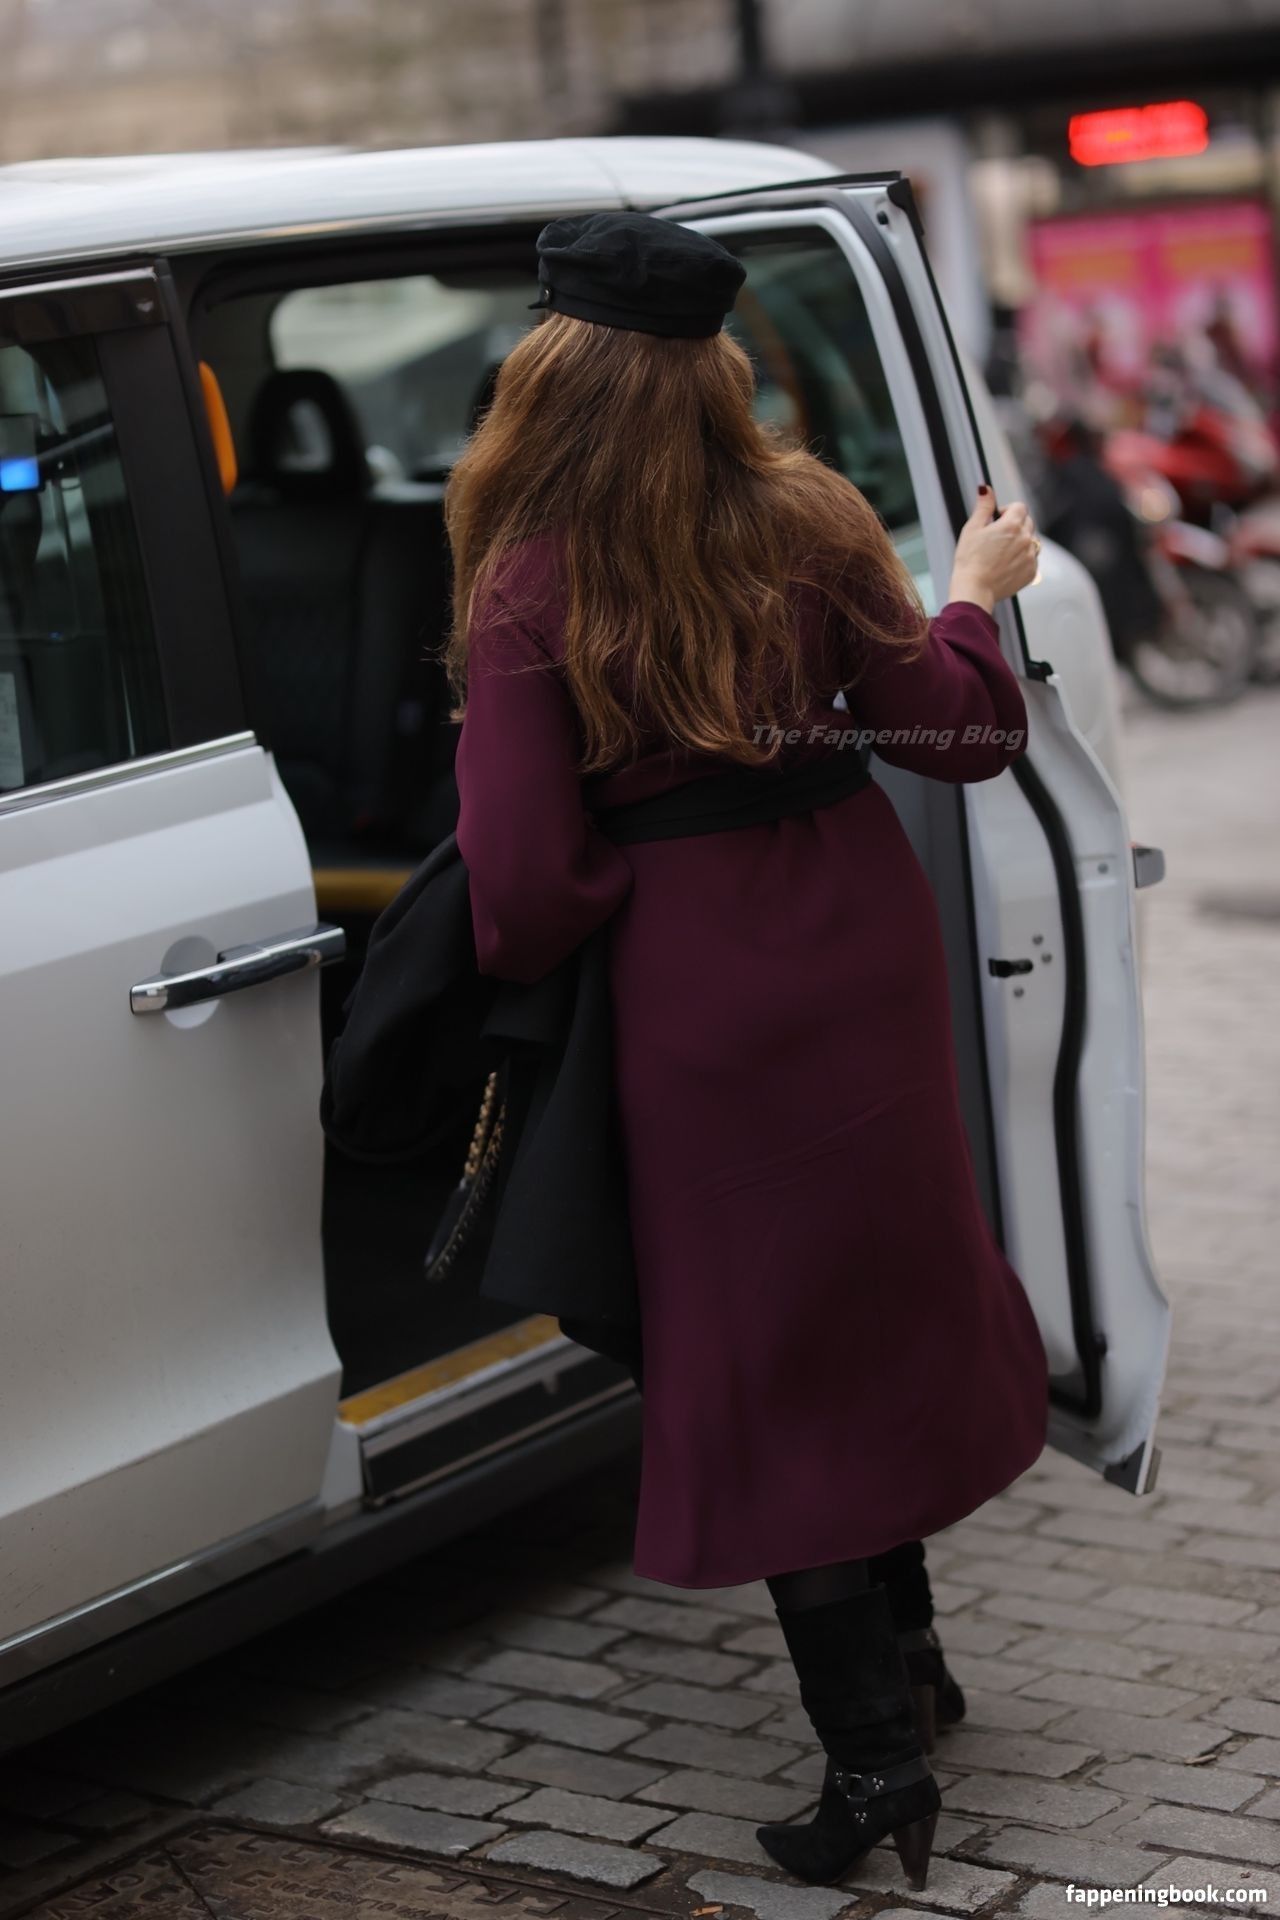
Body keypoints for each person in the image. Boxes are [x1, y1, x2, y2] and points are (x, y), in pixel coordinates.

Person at [442, 210, 1049, 1892]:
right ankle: (911, 1665)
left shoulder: (527, 575)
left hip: (695, 995)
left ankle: (873, 1769)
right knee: (862, 1302)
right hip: (860, 951)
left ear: (548, 371)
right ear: (716, 368)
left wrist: (620, 892)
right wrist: (975, 600)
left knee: (761, 1352)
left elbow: (523, 888)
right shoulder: (811, 515)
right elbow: (956, 734)